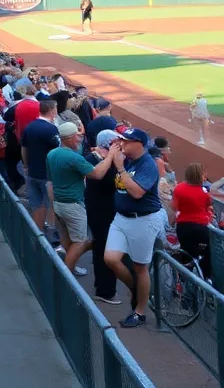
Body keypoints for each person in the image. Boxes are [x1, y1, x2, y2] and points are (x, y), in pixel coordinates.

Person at [103, 128, 165, 328]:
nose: (122, 143)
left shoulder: (148, 164)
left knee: (140, 267)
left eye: (126, 140)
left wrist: (120, 167)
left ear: (139, 144)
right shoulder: (127, 159)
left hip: (143, 220)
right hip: (121, 218)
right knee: (110, 258)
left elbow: (137, 193)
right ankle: (138, 290)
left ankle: (139, 311)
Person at [47, 121, 115, 278]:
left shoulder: (52, 153)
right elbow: (97, 174)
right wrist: (111, 155)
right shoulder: (73, 157)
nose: (79, 140)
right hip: (73, 205)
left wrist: (53, 203)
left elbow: (49, 182)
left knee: (68, 241)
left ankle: (69, 266)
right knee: (80, 242)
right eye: (77, 137)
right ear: (70, 138)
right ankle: (65, 276)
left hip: (58, 203)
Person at [85, 129, 122, 305]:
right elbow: (98, 175)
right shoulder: (93, 159)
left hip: (106, 210)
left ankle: (105, 288)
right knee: (104, 250)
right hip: (100, 212)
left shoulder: (104, 158)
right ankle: (105, 291)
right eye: (116, 142)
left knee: (103, 248)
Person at [22, 100, 62, 237]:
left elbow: (24, 148)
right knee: (50, 204)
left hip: (32, 172)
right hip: (47, 174)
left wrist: (26, 165)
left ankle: (37, 236)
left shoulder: (29, 127)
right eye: (55, 109)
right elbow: (58, 151)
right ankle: (49, 235)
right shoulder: (51, 129)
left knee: (37, 205)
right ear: (51, 111)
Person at [171, 162, 214, 282]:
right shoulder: (204, 192)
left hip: (184, 227)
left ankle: (183, 281)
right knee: (207, 252)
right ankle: (206, 279)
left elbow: (174, 207)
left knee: (186, 252)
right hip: (201, 228)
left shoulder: (179, 188)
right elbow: (208, 207)